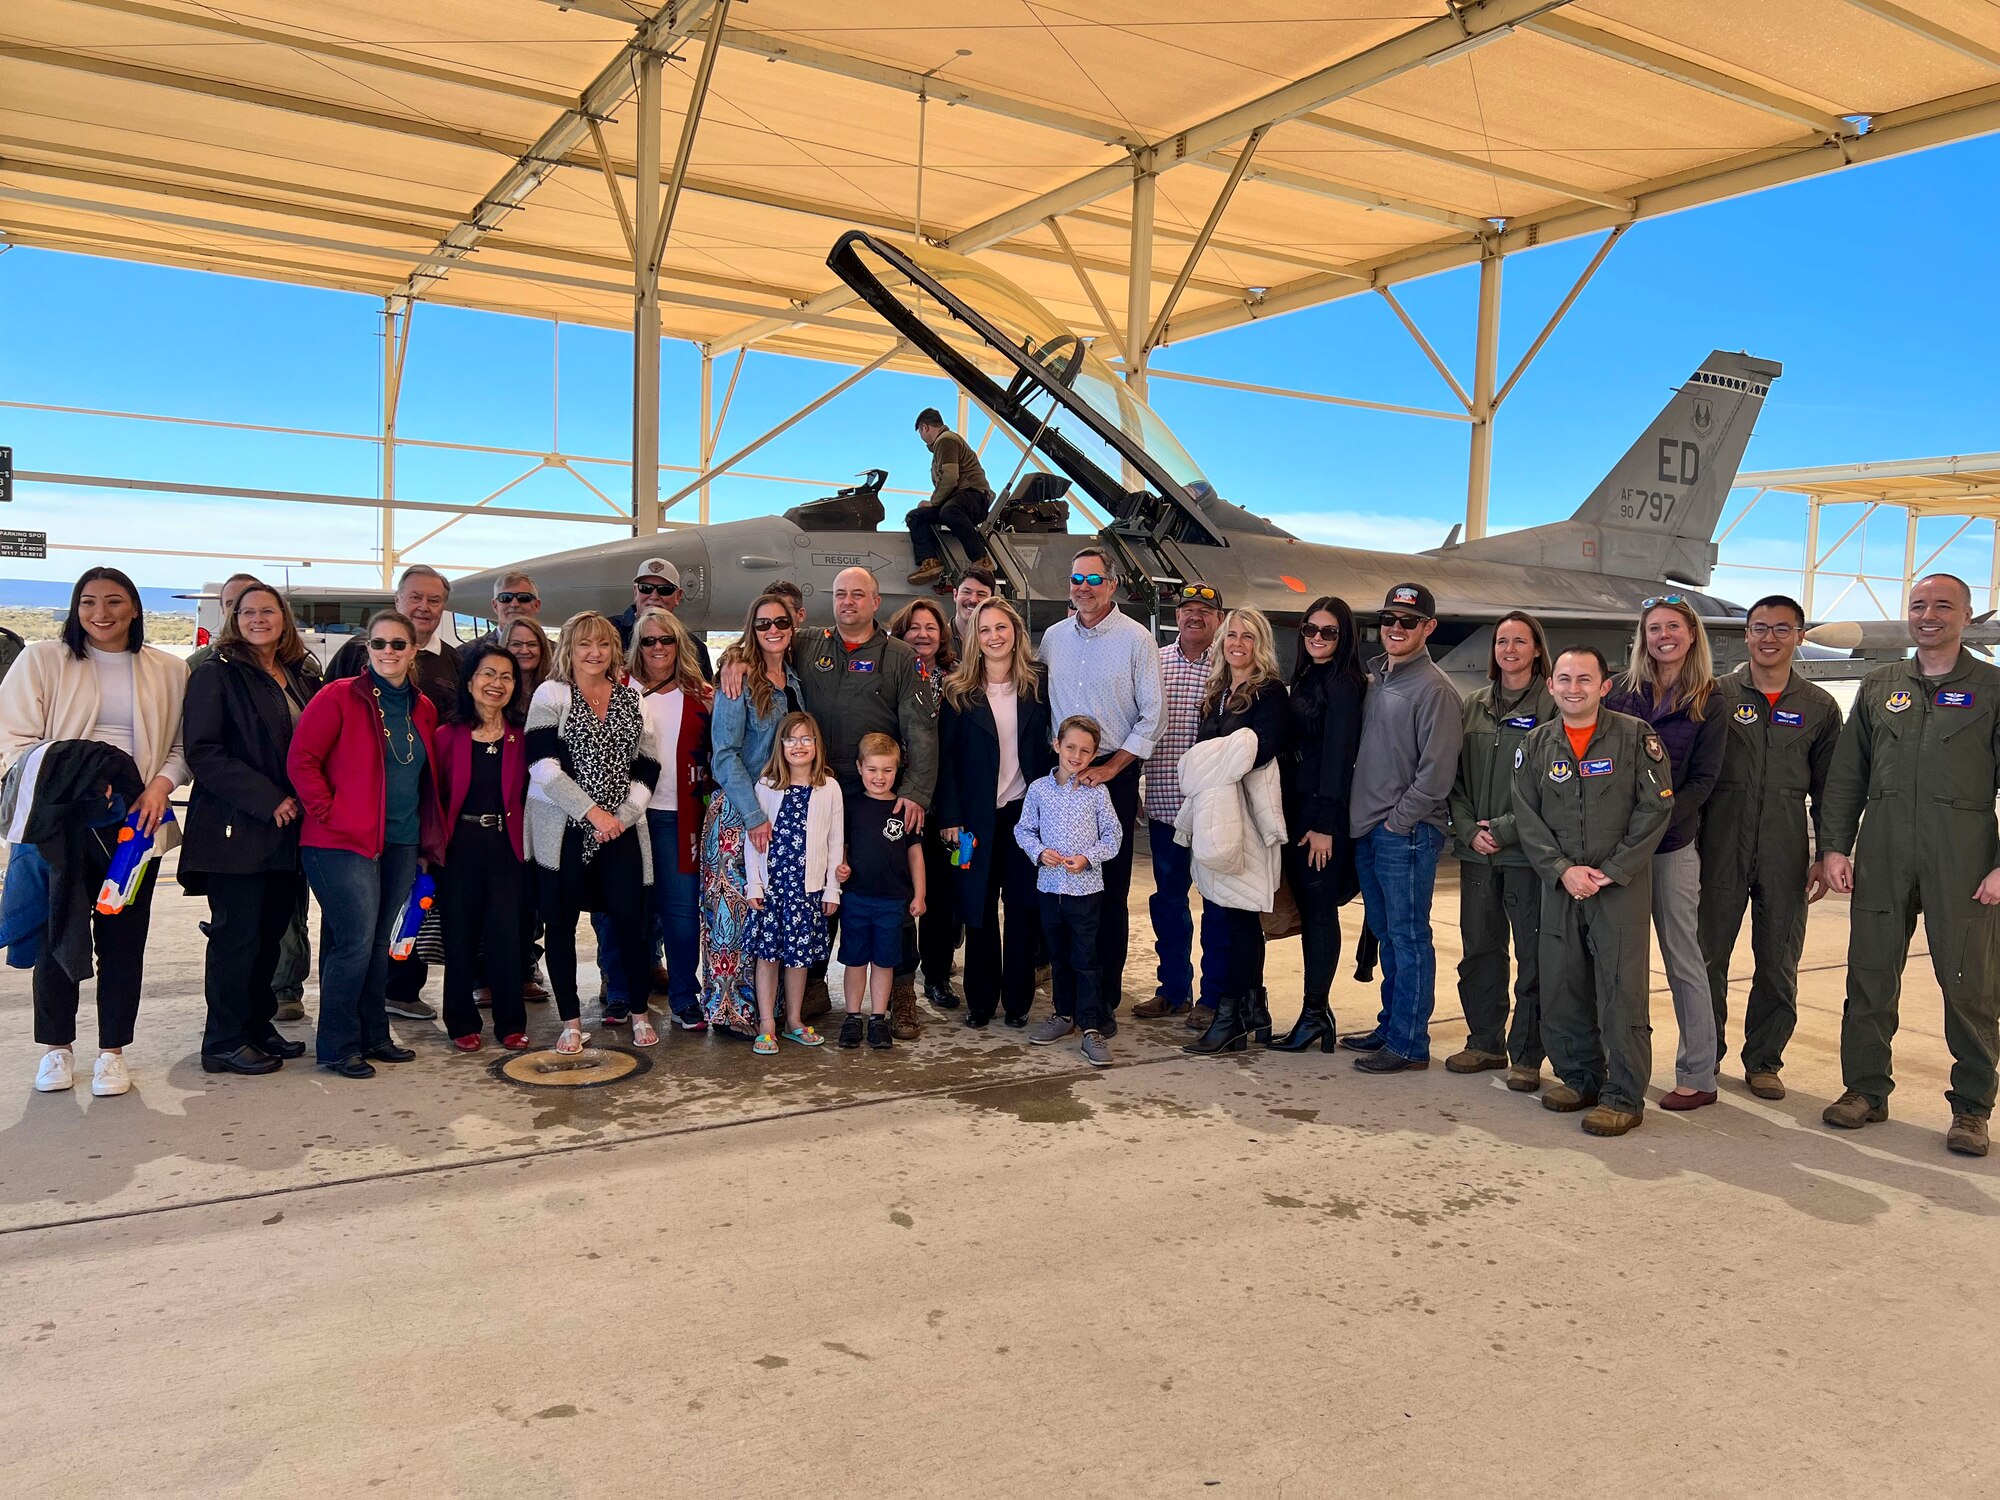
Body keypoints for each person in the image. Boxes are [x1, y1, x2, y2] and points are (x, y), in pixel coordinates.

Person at [1820, 573, 2000, 1158]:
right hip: (1885, 849)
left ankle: (1971, 1109)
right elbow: (1848, 776)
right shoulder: (1880, 686)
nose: (1929, 615)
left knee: (1969, 984)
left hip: (1964, 855)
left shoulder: (1993, 688)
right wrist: (1833, 847)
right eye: (1919, 605)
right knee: (1869, 975)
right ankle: (1864, 1090)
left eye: (1943, 605)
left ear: (1967, 616)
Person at [0, 567, 190, 1097]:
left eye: (113, 601)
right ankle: (56, 1048)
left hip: (136, 824)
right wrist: (81, 780)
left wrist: (158, 787)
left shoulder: (169, 670)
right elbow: (12, 741)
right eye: (88, 602)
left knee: (124, 940)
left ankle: (112, 1052)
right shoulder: (41, 660)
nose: (100, 613)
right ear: (74, 608)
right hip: (60, 825)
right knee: (56, 933)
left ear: (134, 608)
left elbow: (180, 747)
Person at [1511, 645, 1674, 1138]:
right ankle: (1580, 1078)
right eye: (1564, 679)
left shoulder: (1635, 737)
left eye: (1585, 679)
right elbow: (1526, 814)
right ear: (1552, 685)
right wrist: (1561, 870)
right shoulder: (1537, 745)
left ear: (1605, 686)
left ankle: (1623, 1096)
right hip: (1561, 885)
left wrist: (1614, 869)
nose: (1573, 688)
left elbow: (1657, 808)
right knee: (1563, 983)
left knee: (1620, 990)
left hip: (1617, 886)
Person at [288, 608, 446, 1079]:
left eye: (398, 644)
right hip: (341, 844)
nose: (389, 652)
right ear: (367, 649)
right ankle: (338, 1045)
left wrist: (422, 839)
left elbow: (421, 778)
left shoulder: (423, 708)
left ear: (413, 650)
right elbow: (302, 760)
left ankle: (374, 1035)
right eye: (379, 644)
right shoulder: (338, 697)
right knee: (354, 944)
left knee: (379, 944)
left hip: (399, 841)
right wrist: (330, 814)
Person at [1697, 594, 1841, 1099]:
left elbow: (1829, 788)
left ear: (1799, 636)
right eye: (1760, 628)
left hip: (1785, 847)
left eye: (1782, 629)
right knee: (1707, 956)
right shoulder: (1714, 694)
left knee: (1778, 961)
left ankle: (1763, 1061)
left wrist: (1827, 851)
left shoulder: (1819, 707)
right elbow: (1694, 776)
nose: (1769, 637)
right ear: (1746, 635)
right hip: (1719, 844)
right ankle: (1703, 1055)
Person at [180, 584, 321, 1075]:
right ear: (233, 618)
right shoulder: (216, 675)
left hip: (287, 831)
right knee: (236, 937)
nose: (259, 619)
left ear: (283, 618)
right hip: (235, 830)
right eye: (248, 612)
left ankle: (258, 1026)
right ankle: (222, 1040)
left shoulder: (297, 674)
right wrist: (268, 799)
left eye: (268, 610)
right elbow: (204, 753)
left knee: (269, 935)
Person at [1338, 583, 1464, 1073]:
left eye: (1408, 621)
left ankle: (1410, 1043)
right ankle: (1393, 1024)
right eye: (1389, 619)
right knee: (1388, 934)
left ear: (1428, 628)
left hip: (1404, 833)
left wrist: (1397, 823)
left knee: (1409, 936)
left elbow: (1436, 773)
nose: (1395, 627)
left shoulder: (1435, 690)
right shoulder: (1380, 679)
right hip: (1372, 829)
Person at [1607, 595, 1726, 1111]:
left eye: (1673, 627)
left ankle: (1699, 1074)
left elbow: (1703, 782)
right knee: (1616, 961)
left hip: (1673, 846)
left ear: (1691, 634)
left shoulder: (1710, 700)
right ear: (1643, 637)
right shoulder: (1623, 692)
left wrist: (1655, 824)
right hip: (1618, 848)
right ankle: (1615, 1067)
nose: (1663, 636)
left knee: (1683, 960)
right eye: (1654, 628)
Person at [525, 611, 663, 1055]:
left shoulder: (632, 697)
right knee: (561, 926)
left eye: (603, 644)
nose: (595, 653)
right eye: (585, 644)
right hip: (563, 829)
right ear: (569, 647)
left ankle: (639, 1012)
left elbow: (648, 763)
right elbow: (543, 766)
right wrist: (592, 814)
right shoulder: (552, 693)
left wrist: (623, 814)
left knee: (632, 925)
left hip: (621, 829)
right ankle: (570, 1021)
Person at [1037, 547, 1163, 1029]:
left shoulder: (1135, 640)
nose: (1083, 587)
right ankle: (1065, 1001)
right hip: (1064, 773)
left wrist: (1113, 770)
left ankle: (1103, 1002)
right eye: (1075, 579)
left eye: (1093, 578)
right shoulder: (1052, 638)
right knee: (1061, 888)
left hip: (1114, 769)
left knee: (1107, 890)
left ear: (1112, 584)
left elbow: (1154, 714)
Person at [327, 565, 457, 1025]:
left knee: (396, 923)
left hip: (409, 824)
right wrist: (329, 811)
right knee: (352, 932)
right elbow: (311, 753)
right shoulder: (348, 669)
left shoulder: (443, 674)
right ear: (398, 600)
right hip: (351, 830)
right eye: (414, 597)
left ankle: (390, 1007)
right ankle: (341, 1027)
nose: (424, 606)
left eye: (434, 600)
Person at [1445, 610, 1558, 1087]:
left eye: (1519, 641)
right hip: (1476, 855)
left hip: (1528, 856)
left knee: (1533, 956)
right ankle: (1483, 1042)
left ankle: (1529, 1054)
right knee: (1480, 952)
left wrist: (1508, 830)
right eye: (1501, 642)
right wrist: (1468, 828)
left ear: (1537, 649)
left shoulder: (1554, 707)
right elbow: (1453, 777)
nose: (1509, 649)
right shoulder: (1471, 705)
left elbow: (1556, 784)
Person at [936, 598, 1054, 1029]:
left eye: (1002, 627)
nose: (994, 637)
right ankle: (981, 1001)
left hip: (1025, 817)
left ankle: (1019, 1002)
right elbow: (946, 760)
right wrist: (950, 816)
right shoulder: (957, 691)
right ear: (973, 637)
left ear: (1016, 632)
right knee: (978, 908)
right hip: (973, 820)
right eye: (985, 630)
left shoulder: (1037, 684)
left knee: (1023, 908)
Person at [1178, 609, 1291, 1056]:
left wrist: (1207, 762)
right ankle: (1252, 1011)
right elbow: (1216, 753)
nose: (1237, 643)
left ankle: (1229, 1019)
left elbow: (1257, 750)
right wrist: (1217, 757)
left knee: (1238, 920)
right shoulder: (1218, 693)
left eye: (1247, 636)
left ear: (1259, 644)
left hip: (1247, 819)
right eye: (1231, 635)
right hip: (1217, 818)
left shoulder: (1271, 694)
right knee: (1227, 916)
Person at [702, 594, 802, 1034]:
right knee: (733, 917)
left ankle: (767, 1012)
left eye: (781, 621)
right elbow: (724, 756)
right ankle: (730, 1014)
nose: (773, 630)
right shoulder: (738, 680)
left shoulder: (794, 681)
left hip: (780, 812)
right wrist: (753, 815)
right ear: (752, 629)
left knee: (767, 916)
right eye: (763, 624)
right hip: (740, 814)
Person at [1269, 596, 1365, 1054]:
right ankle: (1314, 1015)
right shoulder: (1309, 675)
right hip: (1297, 811)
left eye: (1329, 632)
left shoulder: (1344, 683)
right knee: (1309, 912)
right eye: (1310, 630)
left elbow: (1339, 756)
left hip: (1320, 817)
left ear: (1344, 637)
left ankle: (1315, 1014)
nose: (1318, 639)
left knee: (1321, 914)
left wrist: (1326, 823)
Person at [1135, 582, 1232, 1026]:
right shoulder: (1154, 661)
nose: (1195, 616)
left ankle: (1213, 997)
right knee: (1170, 902)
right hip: (1165, 807)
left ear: (1218, 618)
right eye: (1187, 608)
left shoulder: (1229, 666)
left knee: (1216, 905)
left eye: (1204, 611)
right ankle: (1173, 990)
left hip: (1215, 811)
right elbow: (1138, 723)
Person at [434, 644, 532, 1053]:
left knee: (507, 937)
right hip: (460, 847)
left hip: (507, 848)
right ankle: (461, 1022)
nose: (497, 684)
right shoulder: (446, 735)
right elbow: (433, 796)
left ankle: (510, 1023)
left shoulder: (521, 738)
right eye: (488, 674)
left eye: (506, 677)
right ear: (470, 680)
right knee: (458, 936)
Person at [1018, 716, 1124, 1068]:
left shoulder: (1098, 793)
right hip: (1049, 888)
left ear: (1095, 755)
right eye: (1070, 747)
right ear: (1056, 746)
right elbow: (1024, 829)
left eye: (1085, 750)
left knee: (1086, 958)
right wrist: (1039, 853)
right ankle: (1063, 1016)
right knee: (1058, 954)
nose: (1076, 755)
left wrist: (1087, 858)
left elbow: (1113, 836)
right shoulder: (1038, 790)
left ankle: (1091, 1027)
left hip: (1086, 891)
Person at [627, 609, 712, 1032]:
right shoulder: (618, 690)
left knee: (680, 913)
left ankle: (683, 996)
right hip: (627, 819)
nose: (658, 647)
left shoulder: (701, 694)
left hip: (679, 817)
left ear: (680, 644)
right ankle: (623, 993)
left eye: (667, 640)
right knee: (623, 911)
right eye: (648, 641)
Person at [744, 711, 842, 1054]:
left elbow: (834, 842)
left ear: (816, 745)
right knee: (768, 957)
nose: (798, 746)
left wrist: (832, 888)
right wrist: (754, 885)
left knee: (798, 959)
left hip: (807, 890)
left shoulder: (829, 788)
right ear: (780, 745)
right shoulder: (767, 786)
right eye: (791, 739)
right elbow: (753, 842)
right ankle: (767, 1022)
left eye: (806, 739)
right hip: (774, 888)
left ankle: (794, 1020)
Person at [889, 596, 960, 1025]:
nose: (922, 634)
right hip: (898, 799)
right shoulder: (892, 672)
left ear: (942, 635)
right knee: (900, 895)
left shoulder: (955, 680)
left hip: (942, 802)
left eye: (930, 627)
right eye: (914, 627)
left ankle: (937, 976)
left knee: (939, 896)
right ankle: (900, 983)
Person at [833, 732, 926, 1050]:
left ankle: (877, 1019)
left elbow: (915, 853)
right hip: (856, 898)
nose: (879, 777)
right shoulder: (852, 806)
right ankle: (853, 1017)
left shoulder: (905, 808)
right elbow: (841, 845)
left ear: (897, 770)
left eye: (887, 770)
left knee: (884, 963)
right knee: (855, 961)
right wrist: (841, 867)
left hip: (892, 901)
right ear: (859, 768)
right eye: (872, 769)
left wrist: (920, 894)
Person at [906, 407, 995, 586]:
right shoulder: (942, 445)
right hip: (957, 500)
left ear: (925, 427)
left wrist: (934, 503)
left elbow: (950, 477)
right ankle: (930, 561)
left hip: (974, 496)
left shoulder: (946, 441)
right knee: (915, 516)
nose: (922, 439)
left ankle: (981, 558)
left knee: (949, 511)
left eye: (921, 433)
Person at [612, 557, 713, 678]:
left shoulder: (694, 648)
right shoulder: (608, 633)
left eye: (664, 590)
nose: (654, 596)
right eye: (645, 588)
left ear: (678, 597)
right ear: (635, 592)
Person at [184, 572, 261, 673]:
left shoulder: (284, 661)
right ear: (223, 610)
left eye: (249, 601)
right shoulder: (199, 665)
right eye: (231, 604)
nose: (239, 609)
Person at [461, 571, 543, 661]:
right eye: (505, 598)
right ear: (495, 606)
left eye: (523, 597)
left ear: (536, 605)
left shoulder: (555, 654)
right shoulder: (466, 654)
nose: (514, 604)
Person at [952, 565, 997, 641]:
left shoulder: (997, 641)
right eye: (966, 592)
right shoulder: (938, 639)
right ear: (955, 595)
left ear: (991, 601)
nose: (973, 600)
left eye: (981, 594)